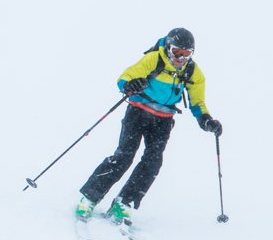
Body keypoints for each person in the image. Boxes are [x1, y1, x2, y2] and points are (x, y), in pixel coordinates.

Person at [75, 27, 222, 225]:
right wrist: (130, 85)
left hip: (163, 120)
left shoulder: (192, 72)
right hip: (138, 112)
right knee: (124, 156)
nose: (180, 58)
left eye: (186, 53)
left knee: (153, 163)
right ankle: (89, 198)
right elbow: (125, 77)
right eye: (176, 52)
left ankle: (124, 204)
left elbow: (197, 103)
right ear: (168, 48)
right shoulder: (154, 59)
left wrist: (206, 120)